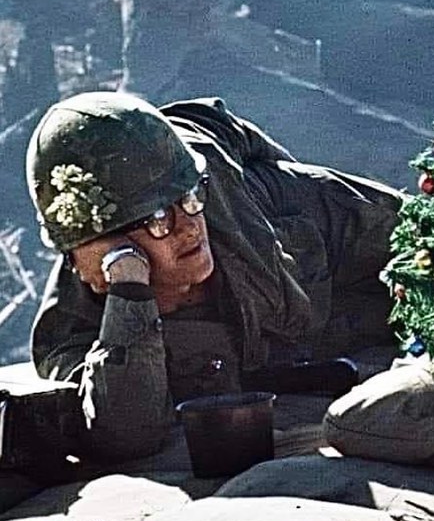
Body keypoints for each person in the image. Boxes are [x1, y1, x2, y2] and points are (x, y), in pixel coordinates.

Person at [26, 91, 402, 460]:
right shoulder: (74, 333)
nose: (190, 228)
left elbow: (430, 233)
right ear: (96, 250)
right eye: (158, 219)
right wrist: (129, 291)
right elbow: (126, 434)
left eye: (189, 196)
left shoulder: (261, 202)